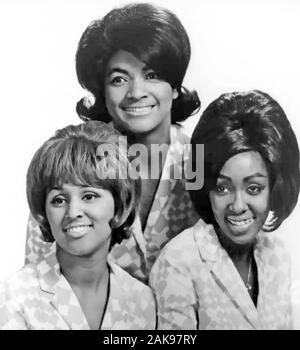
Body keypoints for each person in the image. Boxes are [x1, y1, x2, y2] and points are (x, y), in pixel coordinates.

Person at [25, 3, 200, 283]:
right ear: (101, 90)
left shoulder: (200, 160)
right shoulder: (73, 160)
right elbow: (38, 278)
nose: (136, 93)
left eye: (152, 75)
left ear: (176, 86)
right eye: (119, 79)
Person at [149, 90, 300, 330]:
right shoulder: (178, 263)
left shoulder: (278, 255)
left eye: (253, 188)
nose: (238, 206)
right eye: (222, 188)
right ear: (206, 188)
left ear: (275, 186)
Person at [0, 121, 156, 330]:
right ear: (44, 212)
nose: (73, 212)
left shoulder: (141, 300)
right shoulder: (15, 295)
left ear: (119, 208)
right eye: (58, 200)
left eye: (89, 196)